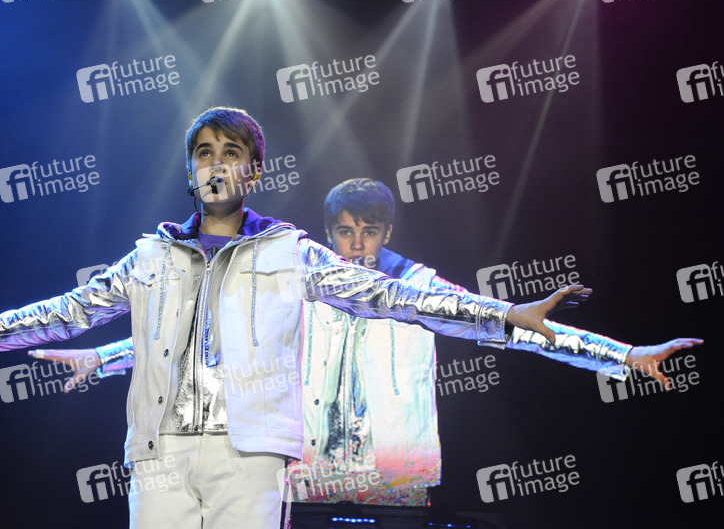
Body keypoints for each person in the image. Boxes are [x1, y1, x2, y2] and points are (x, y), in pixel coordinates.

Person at [0, 107, 668, 529]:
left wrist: (515, 316)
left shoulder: (297, 260)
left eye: (231, 153)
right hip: (163, 454)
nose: (216, 165)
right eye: (204, 153)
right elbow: (88, 318)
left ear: (253, 170)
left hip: (279, 461)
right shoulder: (151, 256)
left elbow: (423, 304)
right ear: (190, 170)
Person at [37, 178, 703, 509]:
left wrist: (626, 356)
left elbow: (524, 332)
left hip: (393, 478)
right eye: (345, 231)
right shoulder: (299, 284)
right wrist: (101, 357)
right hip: (304, 478)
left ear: (387, 232)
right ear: (329, 233)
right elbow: (200, 345)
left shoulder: (418, 290)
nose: (357, 243)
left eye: (369, 231)